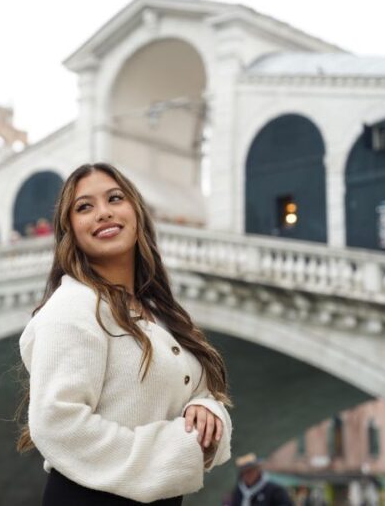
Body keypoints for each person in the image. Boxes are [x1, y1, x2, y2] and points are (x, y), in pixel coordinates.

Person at [17, 163, 233, 505]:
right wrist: (174, 450)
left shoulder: (160, 314)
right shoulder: (73, 306)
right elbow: (56, 422)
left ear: (136, 212)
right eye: (84, 207)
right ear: (70, 229)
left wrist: (208, 411)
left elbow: (199, 392)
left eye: (114, 199)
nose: (103, 213)